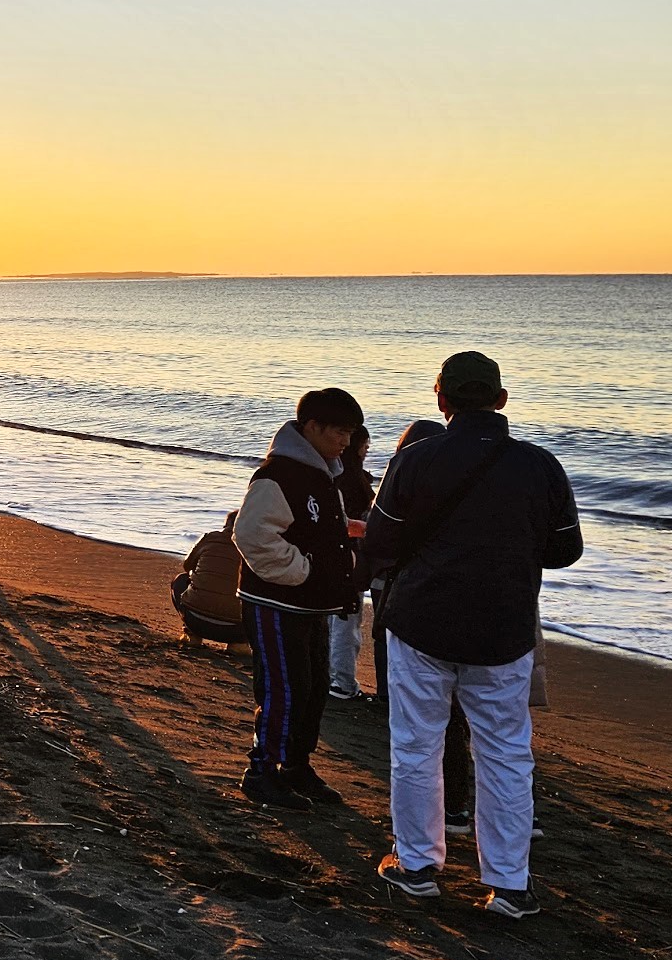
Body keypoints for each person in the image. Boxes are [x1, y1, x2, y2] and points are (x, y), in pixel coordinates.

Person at [365, 352, 582, 919]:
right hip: (503, 629)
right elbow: (565, 550)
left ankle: (416, 867)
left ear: (442, 399)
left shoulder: (415, 461)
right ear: (501, 399)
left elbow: (381, 543)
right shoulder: (541, 466)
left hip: (421, 623)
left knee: (416, 744)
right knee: (506, 753)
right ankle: (508, 884)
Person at [232, 387, 363, 811]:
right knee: (283, 689)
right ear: (312, 427)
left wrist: (347, 546)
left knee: (312, 688)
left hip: (312, 604)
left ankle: (296, 765)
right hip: (275, 602)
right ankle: (261, 770)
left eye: (350, 433)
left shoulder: (325, 473)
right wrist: (305, 571)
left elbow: (322, 529)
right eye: (339, 432)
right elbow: (251, 536)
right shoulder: (279, 474)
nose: (346, 441)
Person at [329, 425, 377, 699]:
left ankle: (332, 677)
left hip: (328, 558)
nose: (367, 452)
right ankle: (343, 682)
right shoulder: (357, 482)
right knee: (346, 623)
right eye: (366, 447)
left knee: (331, 619)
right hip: (351, 558)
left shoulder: (329, 475)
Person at [173, 513, 249, 645]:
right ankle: (239, 644)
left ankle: (192, 635)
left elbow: (187, 565)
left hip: (195, 621)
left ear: (226, 525)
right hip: (236, 630)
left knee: (180, 580)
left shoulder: (210, 538)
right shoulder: (255, 547)